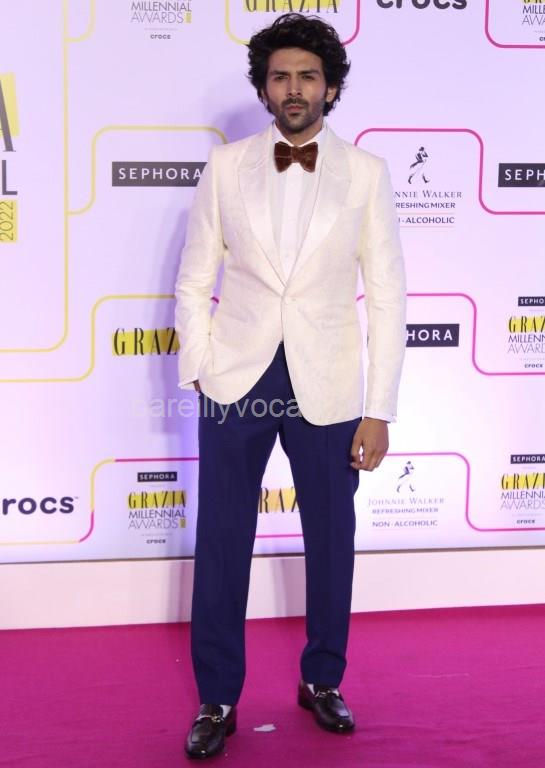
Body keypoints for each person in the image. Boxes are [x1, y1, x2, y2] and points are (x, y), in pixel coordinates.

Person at [175, 12, 406, 759]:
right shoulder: (226, 167)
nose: (294, 88)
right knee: (221, 542)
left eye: (308, 76)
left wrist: (380, 408)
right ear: (264, 88)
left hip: (329, 382)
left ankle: (322, 679)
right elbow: (194, 278)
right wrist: (200, 367)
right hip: (235, 380)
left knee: (331, 539)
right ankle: (217, 697)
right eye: (281, 77)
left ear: (330, 87)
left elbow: (389, 295)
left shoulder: (366, 173)